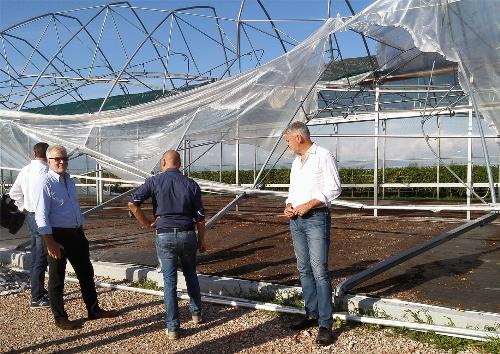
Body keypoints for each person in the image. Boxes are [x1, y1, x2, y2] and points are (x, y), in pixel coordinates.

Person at [35, 145, 119, 330]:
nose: (62, 162)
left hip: (75, 233)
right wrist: (50, 241)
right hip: (57, 235)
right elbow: (41, 215)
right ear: (49, 161)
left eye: (64, 158)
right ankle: (60, 317)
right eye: (57, 159)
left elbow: (73, 207)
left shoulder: (69, 180)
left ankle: (94, 310)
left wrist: (80, 228)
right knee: (57, 278)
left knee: (86, 273)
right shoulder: (45, 182)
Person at [128, 150, 206, 341]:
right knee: (191, 275)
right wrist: (201, 240)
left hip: (164, 235)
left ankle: (173, 327)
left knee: (169, 281)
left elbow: (132, 204)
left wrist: (147, 223)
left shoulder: (154, 181)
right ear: (179, 164)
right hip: (187, 234)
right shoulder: (190, 184)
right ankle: (196, 314)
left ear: (164, 162)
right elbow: (201, 219)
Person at [283, 121, 342, 346]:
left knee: (319, 270)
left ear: (298, 137)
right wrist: (288, 204)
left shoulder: (323, 155)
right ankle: (311, 314)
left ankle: (325, 323)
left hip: (316, 218)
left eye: (288, 140)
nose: (287, 144)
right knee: (304, 269)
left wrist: (310, 204)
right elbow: (292, 190)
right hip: (296, 220)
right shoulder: (297, 162)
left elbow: (335, 188)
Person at [9, 142, 50, 308]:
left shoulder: (25, 170)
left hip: (31, 216)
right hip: (43, 217)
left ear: (34, 153)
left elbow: (14, 193)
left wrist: (23, 206)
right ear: (47, 154)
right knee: (41, 256)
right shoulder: (47, 171)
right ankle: (37, 297)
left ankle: (38, 289)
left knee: (36, 255)